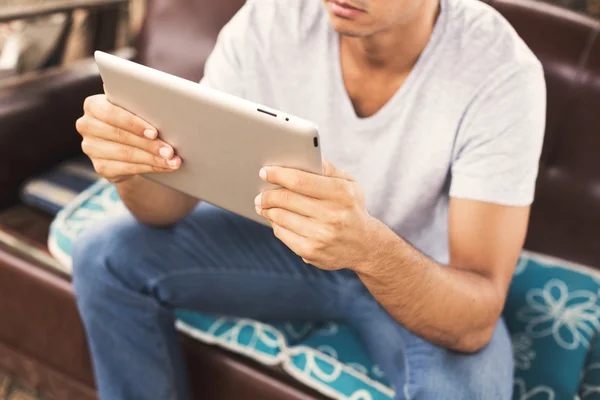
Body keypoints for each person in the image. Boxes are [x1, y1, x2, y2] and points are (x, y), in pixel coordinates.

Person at [72, 0, 546, 398]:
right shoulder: (273, 18)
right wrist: (134, 165)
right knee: (104, 255)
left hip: (418, 274)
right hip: (283, 245)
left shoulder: (500, 71)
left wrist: (367, 248)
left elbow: (477, 316)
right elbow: (163, 212)